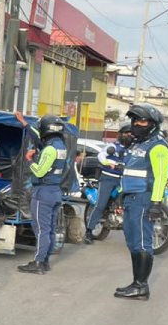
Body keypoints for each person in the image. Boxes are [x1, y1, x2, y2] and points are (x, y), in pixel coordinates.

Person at [115, 103, 168, 301]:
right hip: (131, 198)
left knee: (142, 242)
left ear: (153, 124)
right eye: (135, 120)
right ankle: (135, 283)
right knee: (132, 241)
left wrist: (156, 203)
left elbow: (161, 176)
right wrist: (121, 193)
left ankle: (141, 286)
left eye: (142, 121)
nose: (137, 124)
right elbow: (129, 172)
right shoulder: (138, 144)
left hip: (143, 198)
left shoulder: (158, 146)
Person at [14, 113, 72, 275]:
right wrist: (24, 123)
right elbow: (37, 138)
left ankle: (38, 263)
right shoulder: (61, 147)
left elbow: (39, 172)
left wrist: (30, 160)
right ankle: (45, 262)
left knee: (41, 229)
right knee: (50, 229)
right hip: (55, 191)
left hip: (43, 193)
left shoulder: (50, 150)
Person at [82, 125, 136, 245]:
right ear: (121, 134)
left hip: (123, 179)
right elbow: (101, 155)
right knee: (100, 205)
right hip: (108, 178)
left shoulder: (132, 150)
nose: (129, 136)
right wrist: (109, 163)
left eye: (131, 134)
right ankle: (89, 232)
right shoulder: (113, 146)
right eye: (126, 133)